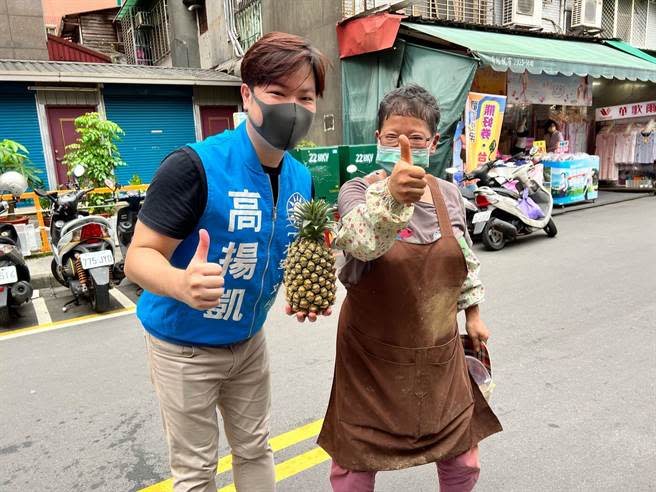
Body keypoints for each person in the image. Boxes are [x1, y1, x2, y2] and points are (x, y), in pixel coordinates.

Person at [124, 32, 328, 492]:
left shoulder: (301, 178)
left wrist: (301, 290)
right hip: (185, 347)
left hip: (249, 342)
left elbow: (284, 248)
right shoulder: (193, 166)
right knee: (196, 471)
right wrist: (180, 283)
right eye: (277, 93)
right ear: (247, 94)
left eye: (305, 97)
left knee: (256, 448)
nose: (292, 108)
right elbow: (137, 258)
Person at [318, 84, 502, 492]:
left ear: (433, 143)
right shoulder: (357, 192)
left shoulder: (449, 194)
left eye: (416, 138)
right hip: (369, 356)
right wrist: (392, 200)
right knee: (355, 464)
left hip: (439, 351)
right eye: (392, 136)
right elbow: (362, 242)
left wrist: (473, 314)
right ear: (377, 139)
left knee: (463, 455)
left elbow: (464, 260)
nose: (404, 144)